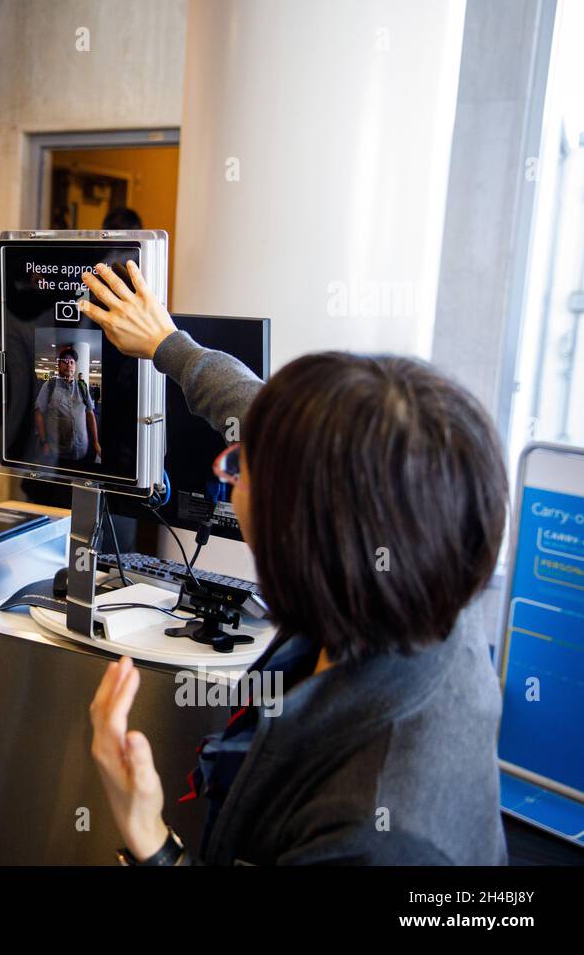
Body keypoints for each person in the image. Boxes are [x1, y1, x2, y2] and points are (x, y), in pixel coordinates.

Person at [80, 260, 508, 865]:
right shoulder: (420, 584)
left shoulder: (375, 835)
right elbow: (264, 416)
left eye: (239, 468)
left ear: (302, 534)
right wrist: (167, 345)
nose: (227, 473)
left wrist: (150, 837)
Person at [34, 345, 101, 465]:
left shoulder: (82, 387)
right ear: (59, 365)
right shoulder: (49, 385)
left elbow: (90, 414)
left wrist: (96, 442)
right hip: (57, 451)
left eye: (72, 362)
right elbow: (38, 412)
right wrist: (43, 441)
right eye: (65, 361)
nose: (69, 364)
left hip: (81, 449)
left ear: (75, 367)